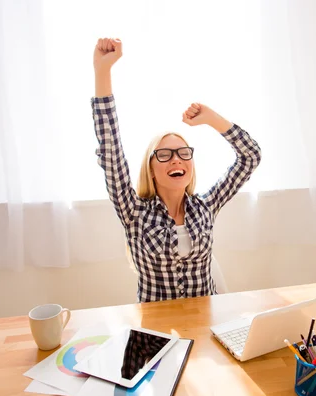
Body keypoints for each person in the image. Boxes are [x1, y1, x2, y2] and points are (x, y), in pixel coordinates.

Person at [92, 38, 261, 302]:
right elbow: (111, 152)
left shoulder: (206, 205)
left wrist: (212, 119)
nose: (176, 160)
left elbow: (250, 156)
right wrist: (102, 71)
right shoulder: (134, 211)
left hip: (206, 320)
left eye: (184, 153)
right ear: (151, 168)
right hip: (156, 328)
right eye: (164, 155)